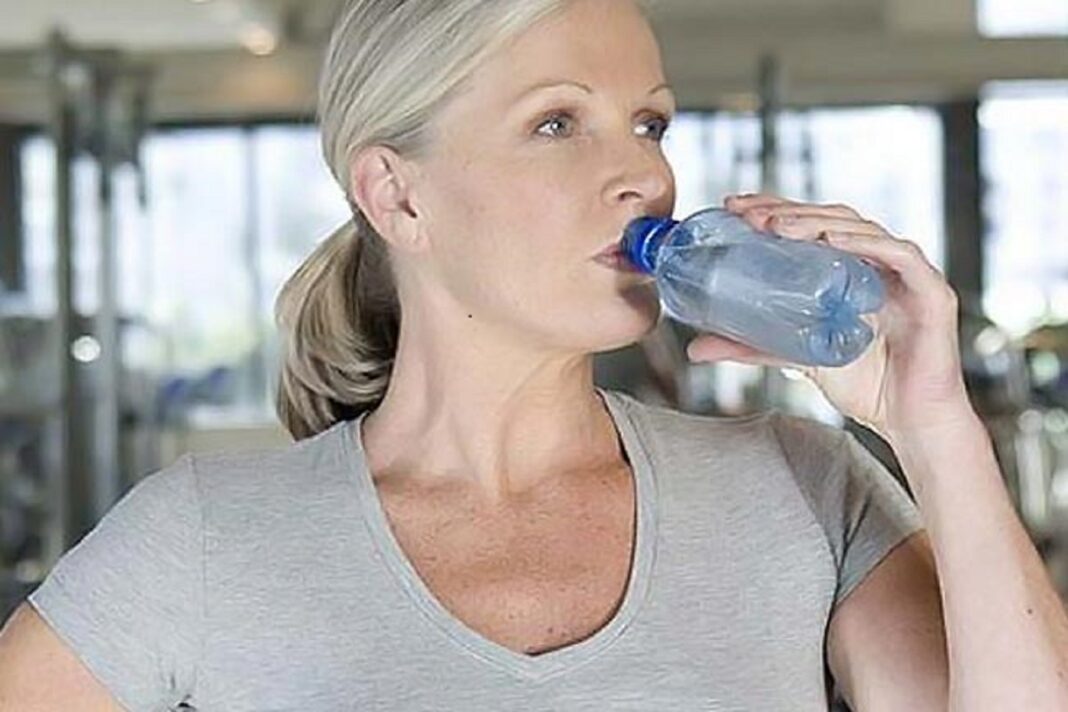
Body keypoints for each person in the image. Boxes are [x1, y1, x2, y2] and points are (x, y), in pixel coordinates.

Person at [2, 0, 1067, 709]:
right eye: (558, 122)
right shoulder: (204, 536)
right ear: (397, 196)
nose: (643, 176)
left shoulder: (799, 484)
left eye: (649, 123)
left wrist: (933, 425)